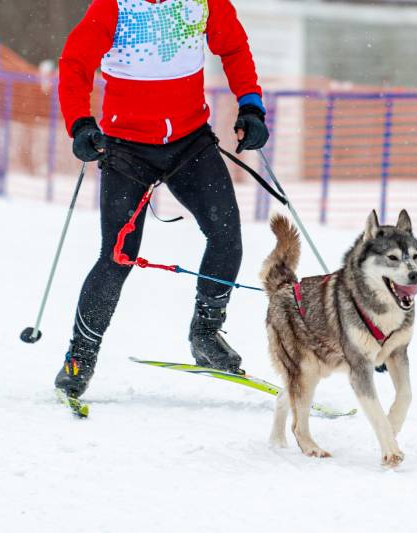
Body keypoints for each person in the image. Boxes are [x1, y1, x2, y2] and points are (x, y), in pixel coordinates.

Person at [55, 0, 269, 398]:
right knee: (117, 257)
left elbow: (234, 48)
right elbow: (75, 64)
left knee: (227, 236)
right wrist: (80, 123)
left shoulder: (203, 3)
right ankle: (79, 356)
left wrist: (251, 105)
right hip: (126, 149)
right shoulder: (114, 6)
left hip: (190, 143)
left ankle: (205, 333)